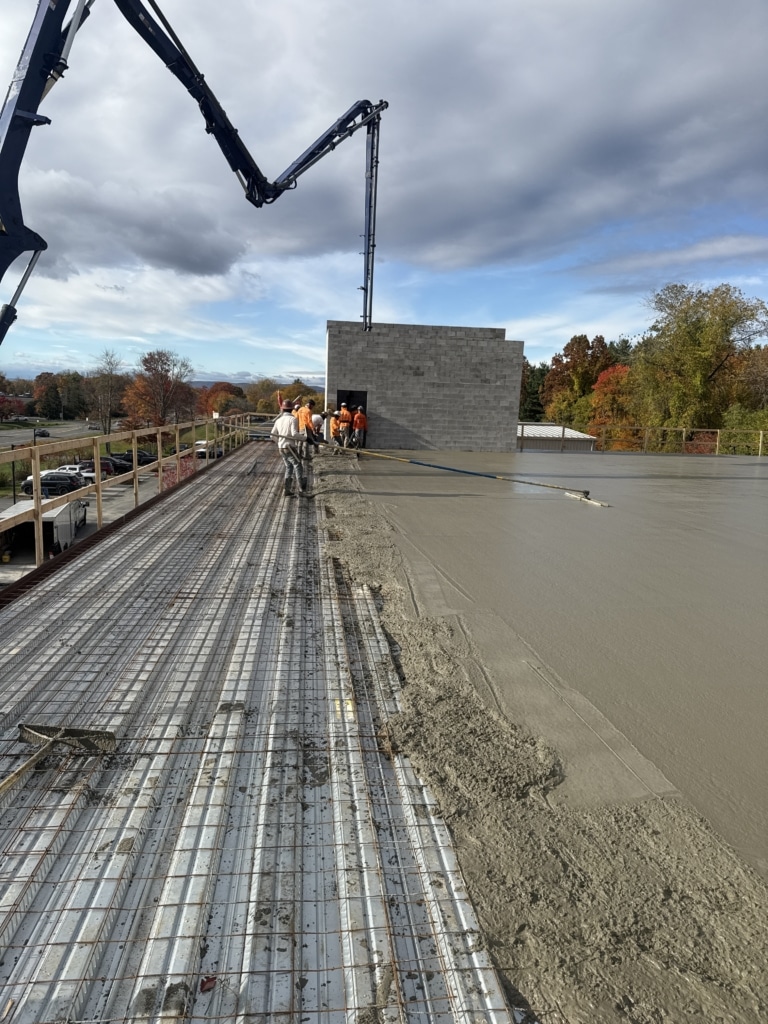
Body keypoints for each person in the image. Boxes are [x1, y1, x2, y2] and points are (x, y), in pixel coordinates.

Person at [270, 399, 307, 496]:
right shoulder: (293, 419)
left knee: (289, 467)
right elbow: (294, 434)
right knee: (298, 465)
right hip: (290, 447)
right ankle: (301, 491)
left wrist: (279, 442)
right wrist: (305, 439)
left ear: (282, 409)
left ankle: (287, 490)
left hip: (281, 448)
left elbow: (272, 435)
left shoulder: (278, 420)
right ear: (292, 409)